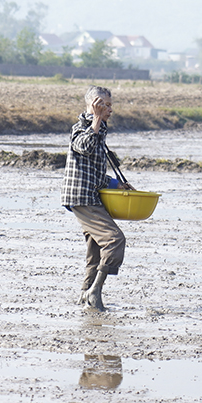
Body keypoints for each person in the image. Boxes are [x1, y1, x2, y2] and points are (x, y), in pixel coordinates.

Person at [61, 85, 132, 311]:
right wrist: (96, 120)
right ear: (93, 104)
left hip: (91, 195)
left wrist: (116, 184)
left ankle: (86, 294)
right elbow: (83, 146)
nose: (108, 109)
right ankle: (95, 292)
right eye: (104, 104)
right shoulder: (81, 127)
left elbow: (95, 173)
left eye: (110, 105)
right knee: (114, 240)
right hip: (82, 198)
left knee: (95, 248)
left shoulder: (100, 130)